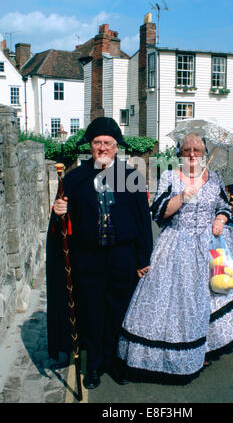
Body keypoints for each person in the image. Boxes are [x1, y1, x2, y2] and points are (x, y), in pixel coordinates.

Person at [117, 132, 233, 384]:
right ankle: (164, 357)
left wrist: (220, 219)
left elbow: (223, 206)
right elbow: (158, 212)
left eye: (197, 150)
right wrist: (182, 197)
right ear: (180, 153)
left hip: (210, 248)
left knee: (210, 298)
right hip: (176, 247)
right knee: (179, 302)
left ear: (203, 153)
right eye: (187, 150)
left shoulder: (215, 178)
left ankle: (204, 346)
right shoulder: (170, 176)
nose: (192, 155)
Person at [46, 117, 153, 389]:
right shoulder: (73, 179)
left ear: (117, 147)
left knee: (119, 310)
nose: (102, 147)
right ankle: (93, 364)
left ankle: (114, 360)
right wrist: (58, 214)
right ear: (90, 146)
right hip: (87, 259)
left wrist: (143, 259)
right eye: (97, 142)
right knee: (92, 312)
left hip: (123, 258)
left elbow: (143, 221)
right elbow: (61, 223)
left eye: (107, 143)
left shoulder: (132, 178)